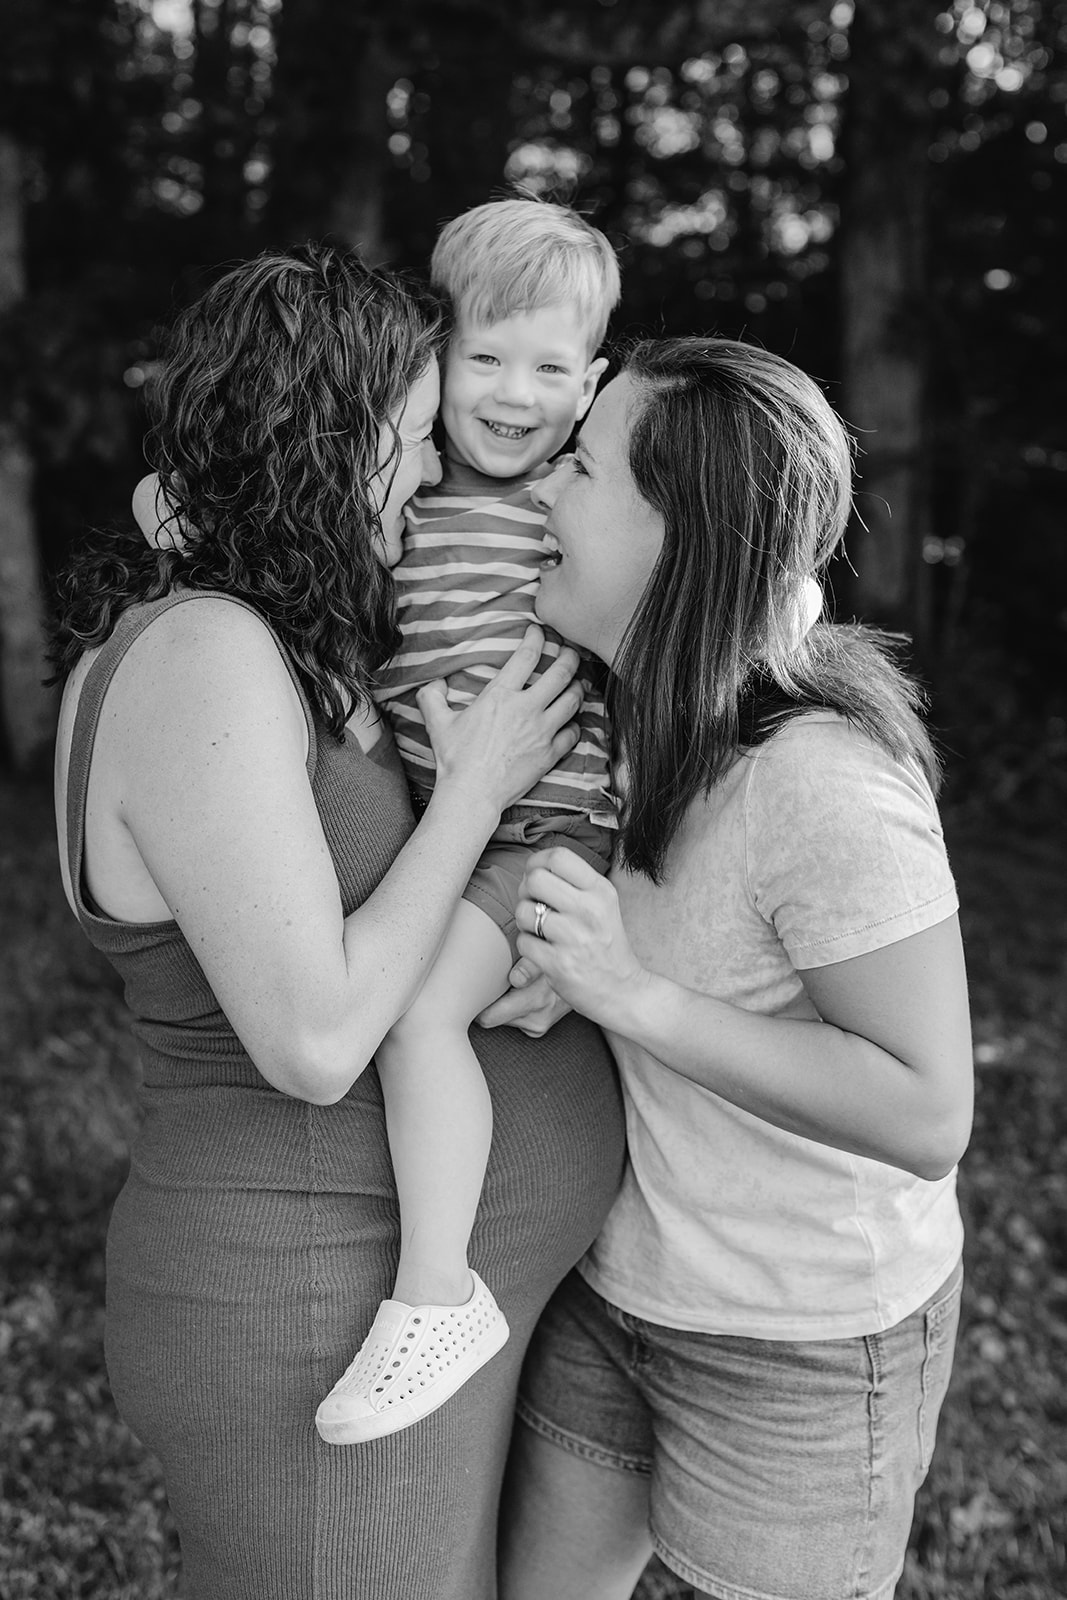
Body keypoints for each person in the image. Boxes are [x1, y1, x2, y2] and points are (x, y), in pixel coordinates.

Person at [51, 243, 624, 1600]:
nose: (432, 476)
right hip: (305, 1299)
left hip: (396, 1300)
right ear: (331, 442)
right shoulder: (199, 655)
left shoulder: (275, 625)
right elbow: (313, 1039)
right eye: (413, 440)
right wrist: (472, 794)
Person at [479, 338, 974, 1600]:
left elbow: (925, 1110)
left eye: (578, 466)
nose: (539, 489)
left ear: (675, 534)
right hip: (620, 1290)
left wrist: (631, 993)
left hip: (798, 1345)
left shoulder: (819, 779)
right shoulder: (633, 710)